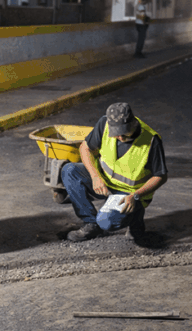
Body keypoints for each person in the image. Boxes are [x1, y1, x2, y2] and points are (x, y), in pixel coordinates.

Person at [62, 102, 168, 242]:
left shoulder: (151, 140)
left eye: (124, 132)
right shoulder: (104, 123)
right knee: (70, 171)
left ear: (134, 122)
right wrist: (95, 177)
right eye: (116, 134)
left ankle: (135, 220)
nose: (121, 137)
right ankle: (91, 223)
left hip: (129, 194)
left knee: (106, 222)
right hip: (104, 182)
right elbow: (85, 148)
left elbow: (160, 176)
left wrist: (135, 196)